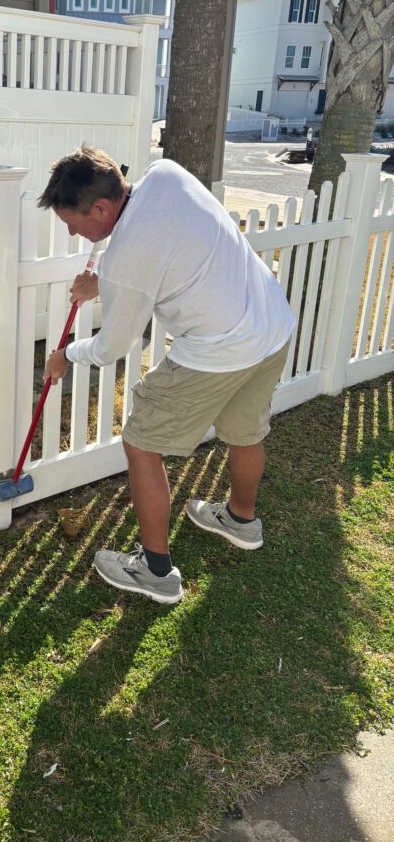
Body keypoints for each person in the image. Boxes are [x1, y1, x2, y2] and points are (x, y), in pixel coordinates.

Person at [40, 147, 295, 604]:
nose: (74, 232)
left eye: (72, 222)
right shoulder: (165, 173)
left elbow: (111, 347)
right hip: (270, 324)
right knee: (245, 431)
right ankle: (241, 521)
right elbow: (169, 246)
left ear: (101, 207)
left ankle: (156, 571)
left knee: (141, 443)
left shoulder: (125, 259)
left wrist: (65, 355)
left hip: (220, 348)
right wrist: (108, 282)